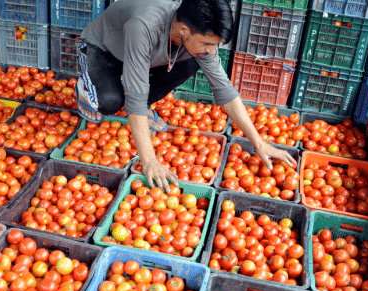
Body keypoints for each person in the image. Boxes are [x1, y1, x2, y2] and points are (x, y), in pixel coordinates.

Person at [76, 0, 296, 192]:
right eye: (208, 44)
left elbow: (224, 89)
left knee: (192, 61)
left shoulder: (198, 32)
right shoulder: (144, 26)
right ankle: (85, 88)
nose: (212, 50)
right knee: (109, 103)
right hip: (103, 49)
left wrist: (259, 142)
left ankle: (138, 98)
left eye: (215, 45)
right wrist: (149, 161)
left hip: (142, 55)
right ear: (182, 30)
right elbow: (135, 99)